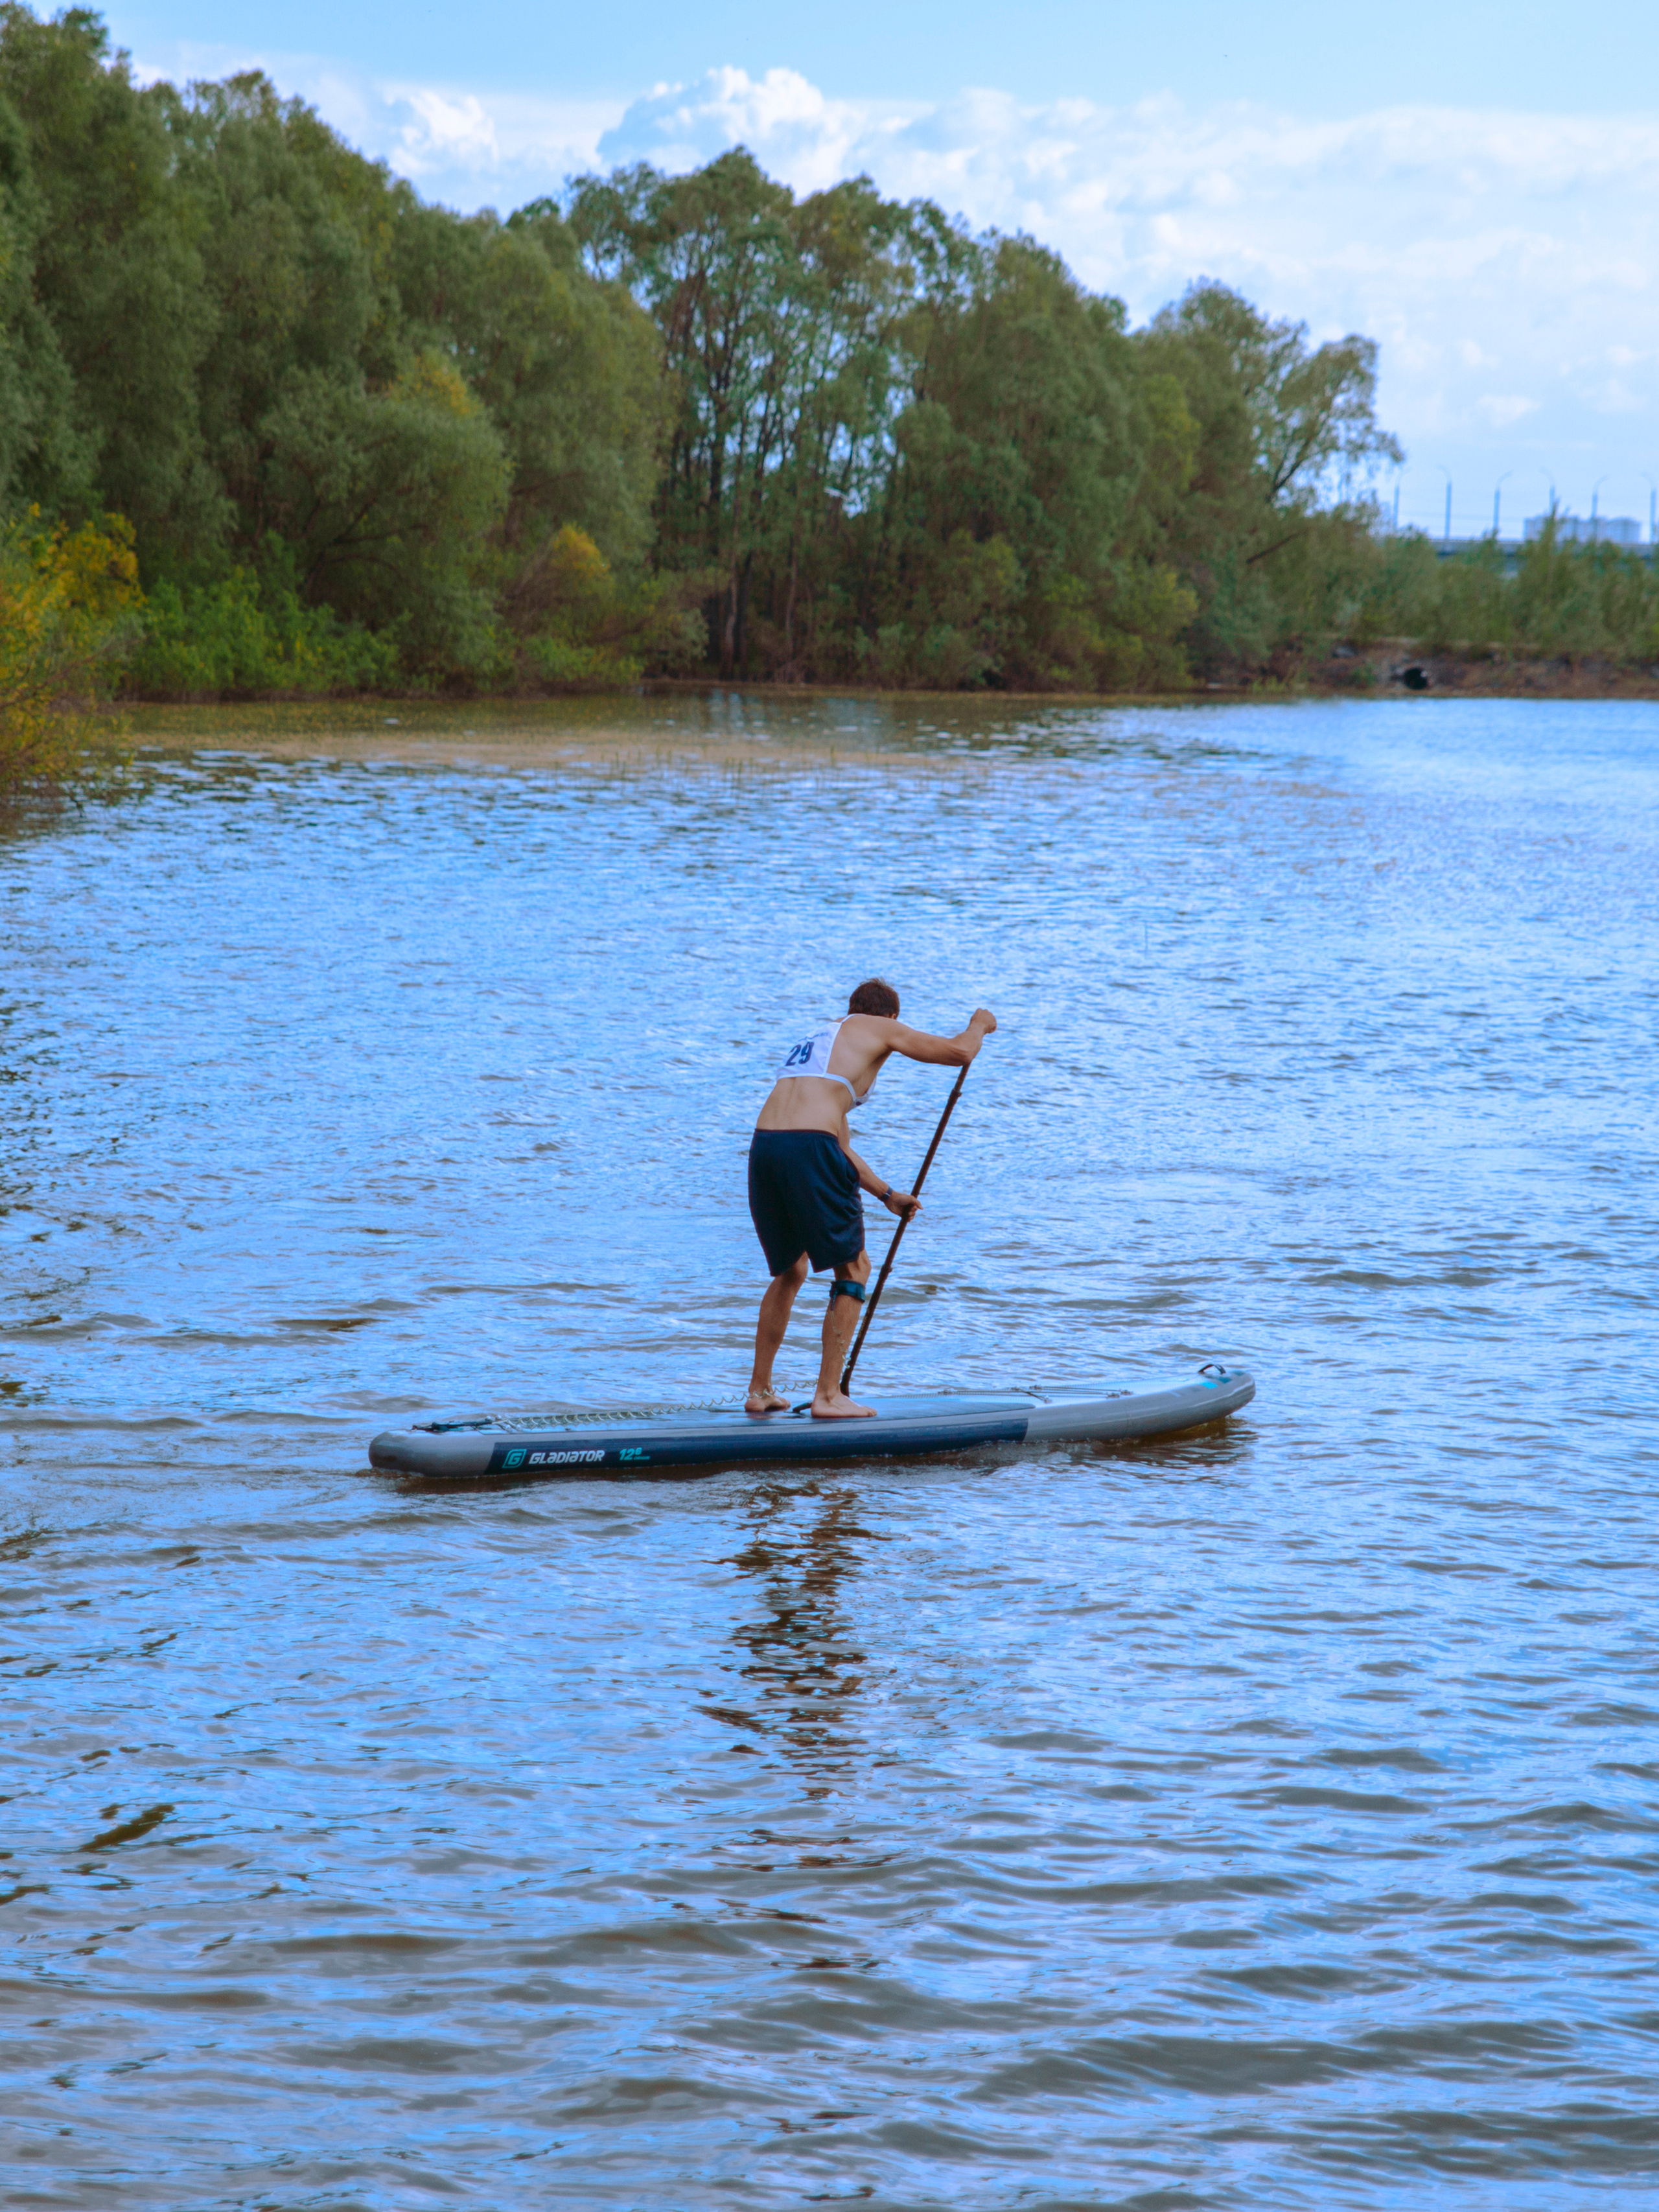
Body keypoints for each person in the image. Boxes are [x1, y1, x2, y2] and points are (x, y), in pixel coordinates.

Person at [745, 979, 997, 1420]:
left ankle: (759, 1390)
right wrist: (979, 1024)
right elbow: (960, 1052)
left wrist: (886, 1194)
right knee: (855, 1266)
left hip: (766, 1146)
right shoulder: (877, 1027)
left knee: (792, 1269)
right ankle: (828, 1396)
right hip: (807, 1146)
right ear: (892, 1018)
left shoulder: (821, 1043)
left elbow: (836, 1145)